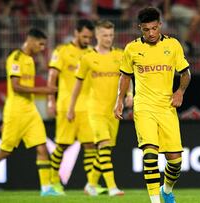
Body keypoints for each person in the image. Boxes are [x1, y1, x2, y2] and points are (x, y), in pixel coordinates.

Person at [114, 7, 191, 203]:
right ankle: (155, 201)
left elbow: (186, 74)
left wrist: (180, 92)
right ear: (140, 28)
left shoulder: (173, 45)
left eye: (154, 28)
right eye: (146, 29)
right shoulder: (132, 49)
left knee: (175, 162)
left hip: (167, 107)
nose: (151, 33)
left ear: (160, 25)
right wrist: (119, 102)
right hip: (144, 106)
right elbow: (125, 76)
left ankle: (166, 190)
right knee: (150, 155)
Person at [0, 28, 60, 196]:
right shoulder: (16, 58)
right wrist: (45, 90)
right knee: (5, 151)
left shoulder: (29, 60)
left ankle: (46, 188)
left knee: (42, 148)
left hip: (30, 110)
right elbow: (15, 87)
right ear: (31, 41)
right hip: (16, 111)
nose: (42, 48)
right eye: (41, 44)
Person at [67, 20, 129, 197]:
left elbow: (127, 78)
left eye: (111, 35)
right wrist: (71, 108)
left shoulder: (120, 55)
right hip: (95, 110)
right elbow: (77, 86)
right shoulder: (87, 58)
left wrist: (130, 94)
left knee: (106, 149)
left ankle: (90, 185)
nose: (108, 38)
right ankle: (112, 187)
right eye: (105, 35)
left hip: (114, 111)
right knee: (102, 145)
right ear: (97, 35)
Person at [47, 19, 108, 195]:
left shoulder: (92, 53)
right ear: (76, 32)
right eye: (84, 36)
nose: (88, 40)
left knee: (90, 145)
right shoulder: (62, 51)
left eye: (90, 37)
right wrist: (51, 101)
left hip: (88, 107)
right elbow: (52, 77)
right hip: (67, 106)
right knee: (62, 145)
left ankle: (91, 185)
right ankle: (53, 183)